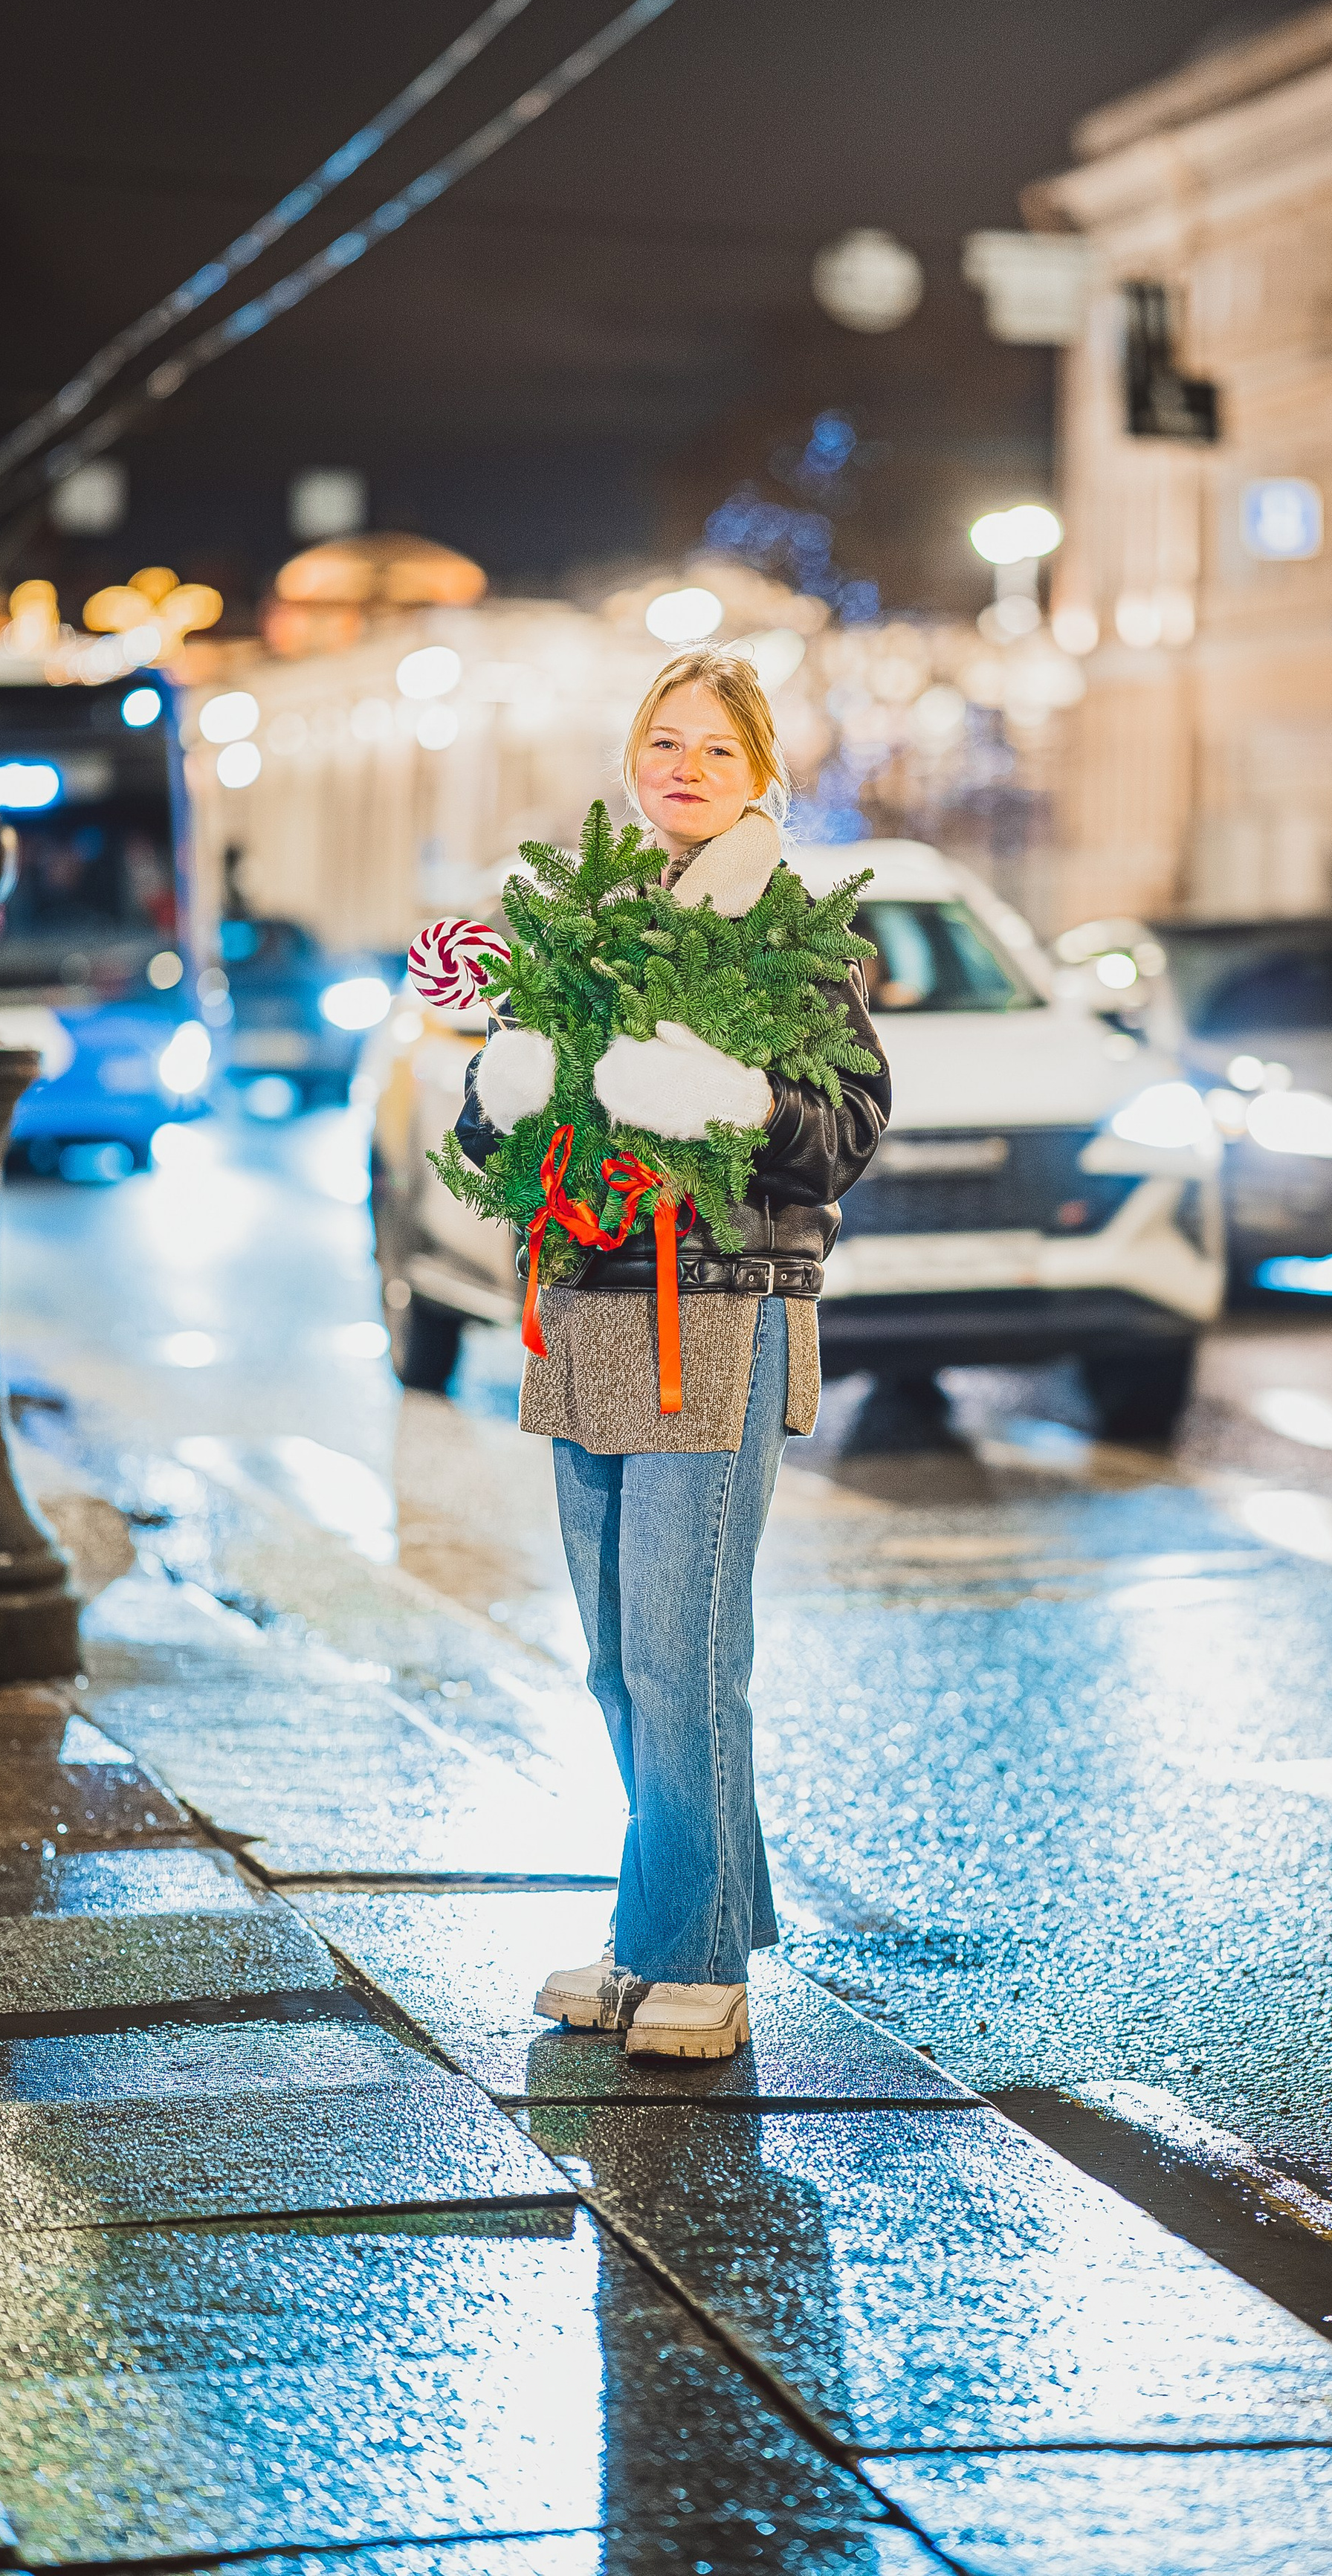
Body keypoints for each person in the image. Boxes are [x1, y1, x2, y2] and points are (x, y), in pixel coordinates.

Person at [454, 650, 890, 2062]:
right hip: (586, 1303)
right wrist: (503, 1085)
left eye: (715, 748)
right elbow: (493, 1140)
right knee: (615, 1659)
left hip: (718, 1307)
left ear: (761, 774)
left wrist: (730, 1095)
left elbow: (847, 1129)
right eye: (663, 741)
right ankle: (672, 1929)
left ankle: (692, 1959)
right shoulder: (586, 927)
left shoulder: (792, 931)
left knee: (681, 1648)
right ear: (632, 760)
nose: (685, 767)